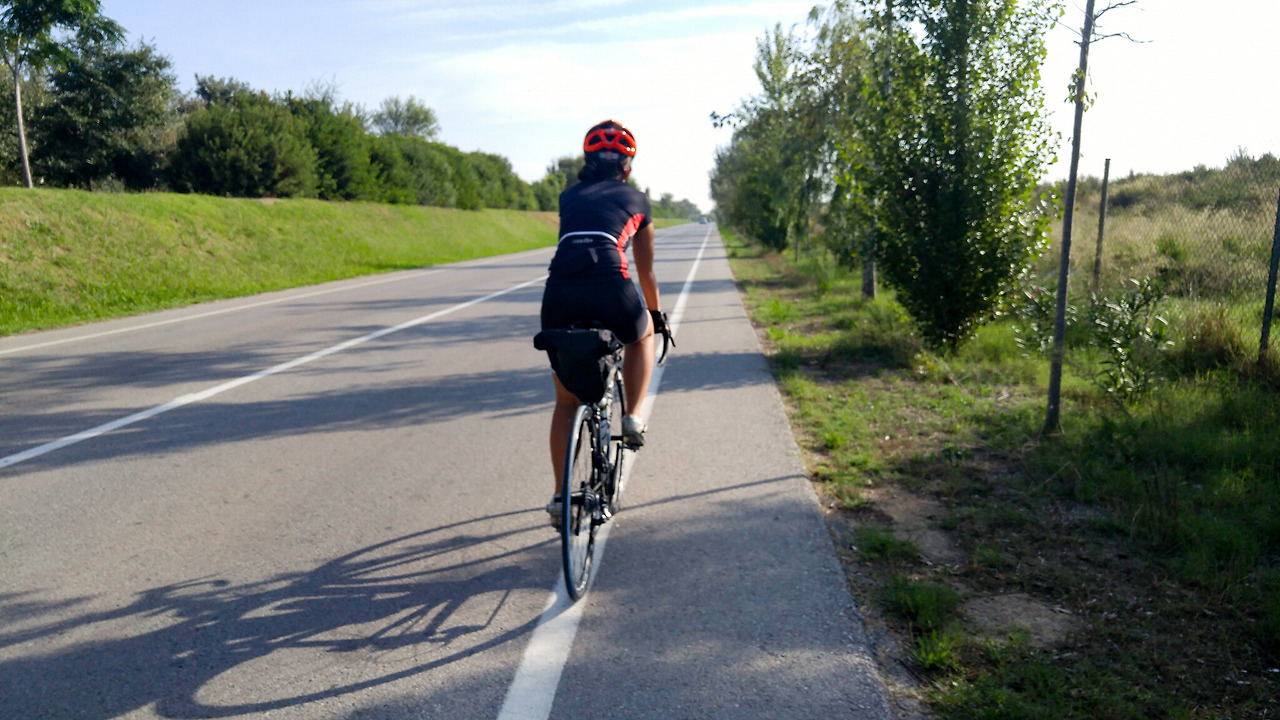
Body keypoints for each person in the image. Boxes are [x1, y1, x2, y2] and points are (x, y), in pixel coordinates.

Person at [539, 119, 667, 526]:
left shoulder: (569, 196)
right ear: (626, 167)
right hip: (612, 287)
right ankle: (633, 417)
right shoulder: (638, 200)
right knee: (642, 334)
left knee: (566, 401)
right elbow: (646, 273)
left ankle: (561, 497)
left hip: (559, 293)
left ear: (588, 161)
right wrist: (656, 317)